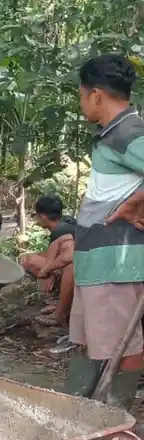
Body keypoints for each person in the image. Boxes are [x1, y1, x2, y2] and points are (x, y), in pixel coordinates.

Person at [66, 54, 144, 407]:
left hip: (115, 263)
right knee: (95, 339)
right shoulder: (114, 135)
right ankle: (80, 409)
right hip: (97, 262)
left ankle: (115, 414)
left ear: (95, 95)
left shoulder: (129, 134)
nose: (81, 102)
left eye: (81, 95)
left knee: (124, 345)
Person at [22, 194, 77, 329]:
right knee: (30, 258)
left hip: (77, 267)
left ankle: (59, 309)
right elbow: (54, 251)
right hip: (79, 263)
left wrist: (47, 270)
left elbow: (69, 255)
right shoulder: (68, 223)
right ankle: (59, 300)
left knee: (29, 261)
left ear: (43, 216)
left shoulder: (60, 230)